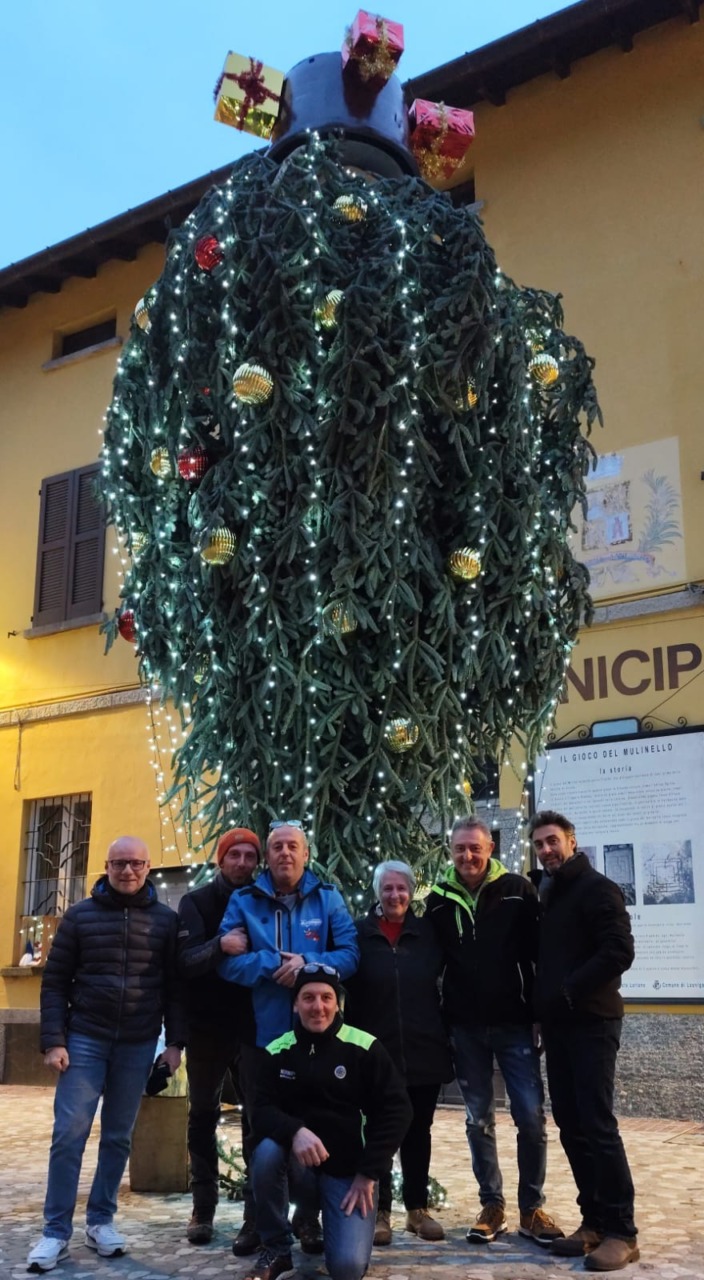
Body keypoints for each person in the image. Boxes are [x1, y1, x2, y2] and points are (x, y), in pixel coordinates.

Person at [27, 837, 185, 1274]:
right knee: (69, 1135)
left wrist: (175, 1044)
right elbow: (55, 982)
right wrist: (53, 1040)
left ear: (149, 867)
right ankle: (55, 1231)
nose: (127, 871)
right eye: (119, 863)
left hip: (138, 1042)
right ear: (106, 867)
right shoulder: (79, 918)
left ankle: (101, 1220)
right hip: (85, 1039)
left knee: (118, 1136)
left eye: (135, 863)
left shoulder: (166, 923)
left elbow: (175, 989)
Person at [218, 819, 359, 1254]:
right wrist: (271, 964)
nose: (284, 853)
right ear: (268, 855)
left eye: (292, 846)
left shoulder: (328, 898)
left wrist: (308, 965)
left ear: (305, 853)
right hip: (266, 1037)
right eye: (277, 846)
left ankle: (309, 1220)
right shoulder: (244, 900)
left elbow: (351, 955)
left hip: (320, 1037)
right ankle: (258, 1220)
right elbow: (226, 963)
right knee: (260, 1130)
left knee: (318, 1125)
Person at [426, 816, 563, 1247]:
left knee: (530, 1117)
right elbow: (434, 964)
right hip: (464, 1027)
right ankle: (492, 1205)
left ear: (490, 849)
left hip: (514, 1024)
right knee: (478, 1120)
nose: (467, 856)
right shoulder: (437, 900)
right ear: (451, 851)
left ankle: (531, 1208)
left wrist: (538, 1013)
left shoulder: (518, 891)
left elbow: (538, 957)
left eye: (475, 848)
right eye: (459, 849)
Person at [247, 963, 412, 1280]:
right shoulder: (277, 1051)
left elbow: (397, 1111)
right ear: (295, 1004)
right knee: (267, 1152)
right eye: (308, 998)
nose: (317, 1007)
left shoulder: (365, 1048)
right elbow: (260, 1109)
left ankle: (323, 1221)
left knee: (347, 1268)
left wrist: (368, 1173)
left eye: (326, 997)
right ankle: (277, 1249)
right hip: (299, 1170)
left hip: (350, 1177)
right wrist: (294, 1131)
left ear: (338, 1003)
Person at [528, 810, 639, 1272]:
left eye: (553, 841)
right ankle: (592, 1221)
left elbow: (619, 951)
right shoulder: (550, 893)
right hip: (560, 1027)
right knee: (571, 1124)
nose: (547, 850)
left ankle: (622, 1231)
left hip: (593, 1022)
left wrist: (570, 989)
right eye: (539, 844)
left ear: (572, 841)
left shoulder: (598, 889)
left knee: (596, 1124)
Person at [344, 860, 452, 1246]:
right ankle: (381, 1212)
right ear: (377, 892)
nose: (395, 896)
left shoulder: (427, 934)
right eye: (387, 889)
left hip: (424, 1048)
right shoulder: (358, 934)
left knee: (418, 1131)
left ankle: (417, 1209)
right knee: (378, 1133)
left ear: (411, 891)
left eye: (401, 888)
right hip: (375, 1051)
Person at [177, 826, 261, 1250]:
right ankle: (203, 1208)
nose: (243, 863)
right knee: (203, 1115)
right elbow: (184, 963)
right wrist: (219, 946)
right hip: (207, 1027)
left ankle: (254, 1214)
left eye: (250, 856)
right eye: (235, 855)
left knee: (255, 1118)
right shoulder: (196, 903)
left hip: (253, 1025)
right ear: (221, 859)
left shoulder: (263, 900)